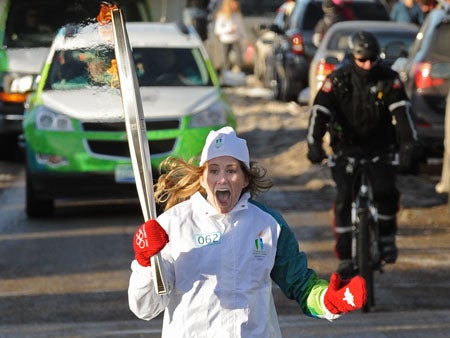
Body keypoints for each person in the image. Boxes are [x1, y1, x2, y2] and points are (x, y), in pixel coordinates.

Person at [128, 126, 367, 336]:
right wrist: (144, 264)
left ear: (244, 179)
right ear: (201, 179)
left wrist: (330, 301)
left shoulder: (268, 224)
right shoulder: (172, 225)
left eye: (231, 170)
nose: (222, 180)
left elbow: (302, 286)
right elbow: (146, 308)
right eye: (214, 170)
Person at [306, 31, 421, 278]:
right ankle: (346, 257)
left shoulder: (388, 79)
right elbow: (319, 112)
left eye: (372, 59)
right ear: (352, 57)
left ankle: (387, 237)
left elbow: (403, 114)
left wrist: (409, 146)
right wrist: (314, 144)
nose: (367, 65)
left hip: (380, 148)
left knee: (385, 192)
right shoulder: (338, 80)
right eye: (362, 60)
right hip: (345, 149)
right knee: (344, 198)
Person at [213, 0, 248, 73]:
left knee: (239, 58)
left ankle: (238, 71)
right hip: (225, 40)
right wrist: (229, 29)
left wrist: (245, 38)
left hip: (235, 39)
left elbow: (241, 28)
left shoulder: (237, 15)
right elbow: (217, 30)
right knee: (225, 58)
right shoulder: (222, 15)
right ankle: (226, 72)